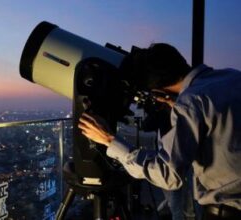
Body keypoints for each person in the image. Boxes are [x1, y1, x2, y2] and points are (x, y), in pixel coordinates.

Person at [78, 43, 241, 220]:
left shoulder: (191, 101)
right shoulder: (232, 76)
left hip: (228, 211)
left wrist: (109, 139)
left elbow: (169, 175)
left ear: (157, 92)